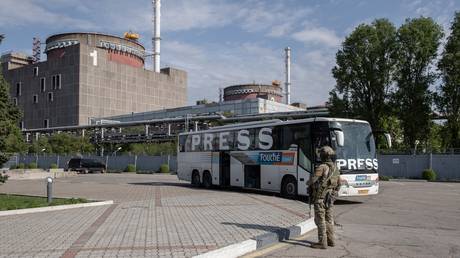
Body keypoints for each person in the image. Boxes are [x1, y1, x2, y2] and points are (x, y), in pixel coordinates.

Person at [308, 146, 341, 249]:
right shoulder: (336, 168)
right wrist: (332, 194)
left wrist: (309, 183)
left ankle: (322, 242)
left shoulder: (322, 167)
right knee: (329, 219)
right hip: (330, 199)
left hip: (320, 199)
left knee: (320, 220)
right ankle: (331, 241)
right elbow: (339, 184)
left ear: (323, 156)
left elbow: (312, 181)